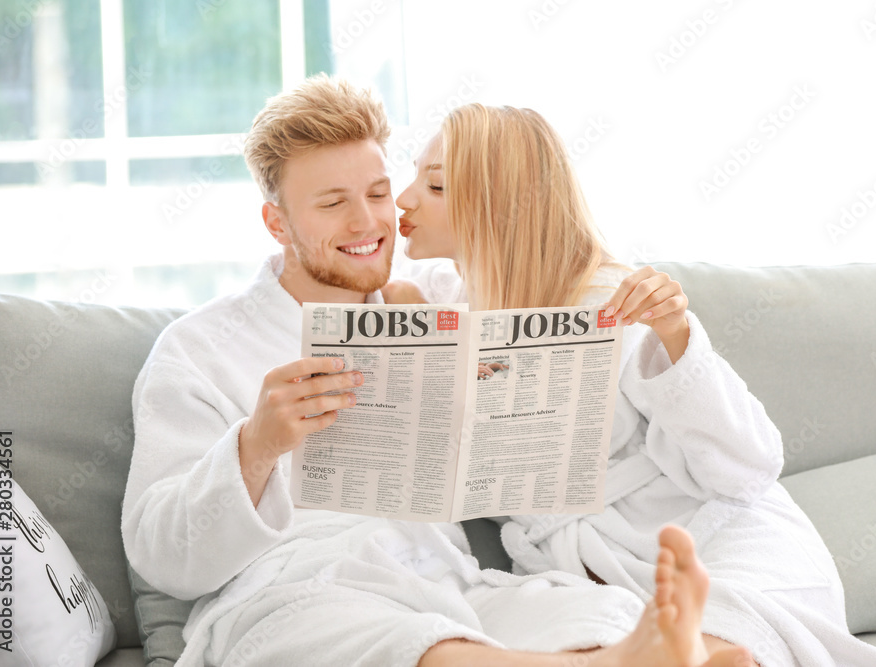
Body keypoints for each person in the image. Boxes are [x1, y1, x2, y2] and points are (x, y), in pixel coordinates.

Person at [120, 74, 752, 667]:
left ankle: (619, 651)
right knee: (387, 639)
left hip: (446, 582)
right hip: (291, 592)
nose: (368, 222)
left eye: (375, 194)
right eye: (333, 203)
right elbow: (162, 558)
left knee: (587, 612)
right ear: (276, 222)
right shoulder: (198, 349)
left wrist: (657, 315)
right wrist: (255, 449)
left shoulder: (443, 301)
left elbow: (529, 250)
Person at [394, 103, 876, 667]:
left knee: (717, 645)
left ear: (499, 206)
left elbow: (749, 466)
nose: (404, 199)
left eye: (434, 187)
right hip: (592, 577)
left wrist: (676, 335)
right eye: (413, 175)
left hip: (717, 541)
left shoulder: (618, 304)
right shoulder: (447, 297)